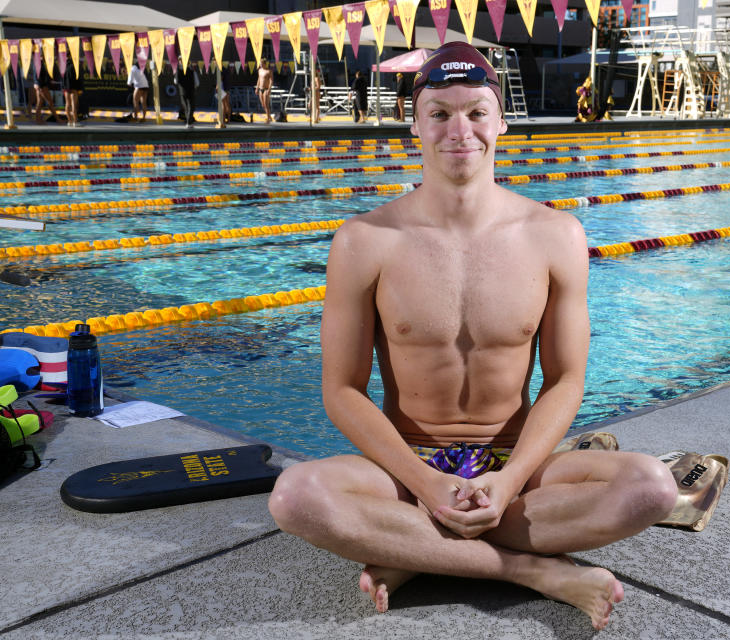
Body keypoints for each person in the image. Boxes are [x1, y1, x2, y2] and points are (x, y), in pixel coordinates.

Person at [268, 41, 678, 632]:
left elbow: (566, 380)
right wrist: (430, 486)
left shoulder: (554, 235)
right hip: (408, 470)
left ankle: (415, 553)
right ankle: (527, 570)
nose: (460, 130)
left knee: (650, 488)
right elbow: (342, 390)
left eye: (476, 112)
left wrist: (507, 480)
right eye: (440, 113)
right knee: (296, 497)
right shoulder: (365, 241)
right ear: (415, 126)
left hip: (515, 472)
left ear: (501, 122)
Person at [176, 60, 198, 128]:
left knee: (185, 107)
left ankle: (188, 121)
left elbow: (176, 81)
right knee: (191, 107)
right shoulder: (192, 70)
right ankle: (189, 122)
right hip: (191, 90)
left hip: (182, 91)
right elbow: (197, 82)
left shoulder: (178, 71)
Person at [62, 59, 84, 127]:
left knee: (67, 104)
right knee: (74, 104)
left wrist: (64, 87)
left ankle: (69, 121)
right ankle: (75, 122)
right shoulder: (76, 66)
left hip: (66, 88)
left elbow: (63, 78)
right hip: (74, 88)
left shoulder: (65, 65)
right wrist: (80, 89)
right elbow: (79, 78)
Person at [256, 58, 273, 124]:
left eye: (261, 64)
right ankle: (269, 116)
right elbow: (259, 79)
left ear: (264, 63)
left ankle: (268, 118)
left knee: (266, 104)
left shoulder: (269, 71)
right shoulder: (259, 70)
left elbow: (271, 81)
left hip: (266, 89)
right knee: (263, 105)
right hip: (260, 88)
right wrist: (257, 88)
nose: (260, 65)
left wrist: (269, 89)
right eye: (260, 64)